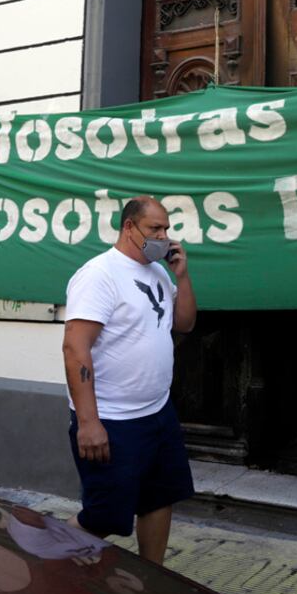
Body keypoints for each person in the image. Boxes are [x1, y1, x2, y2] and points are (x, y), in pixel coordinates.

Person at [61, 195, 197, 564]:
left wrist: (181, 277)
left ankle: (152, 581)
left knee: (159, 498)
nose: (164, 237)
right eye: (155, 228)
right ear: (129, 227)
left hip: (157, 412)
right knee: (104, 516)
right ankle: (47, 563)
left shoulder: (157, 272)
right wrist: (89, 423)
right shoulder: (99, 275)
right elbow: (75, 349)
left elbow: (184, 323)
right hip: (114, 420)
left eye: (166, 229)